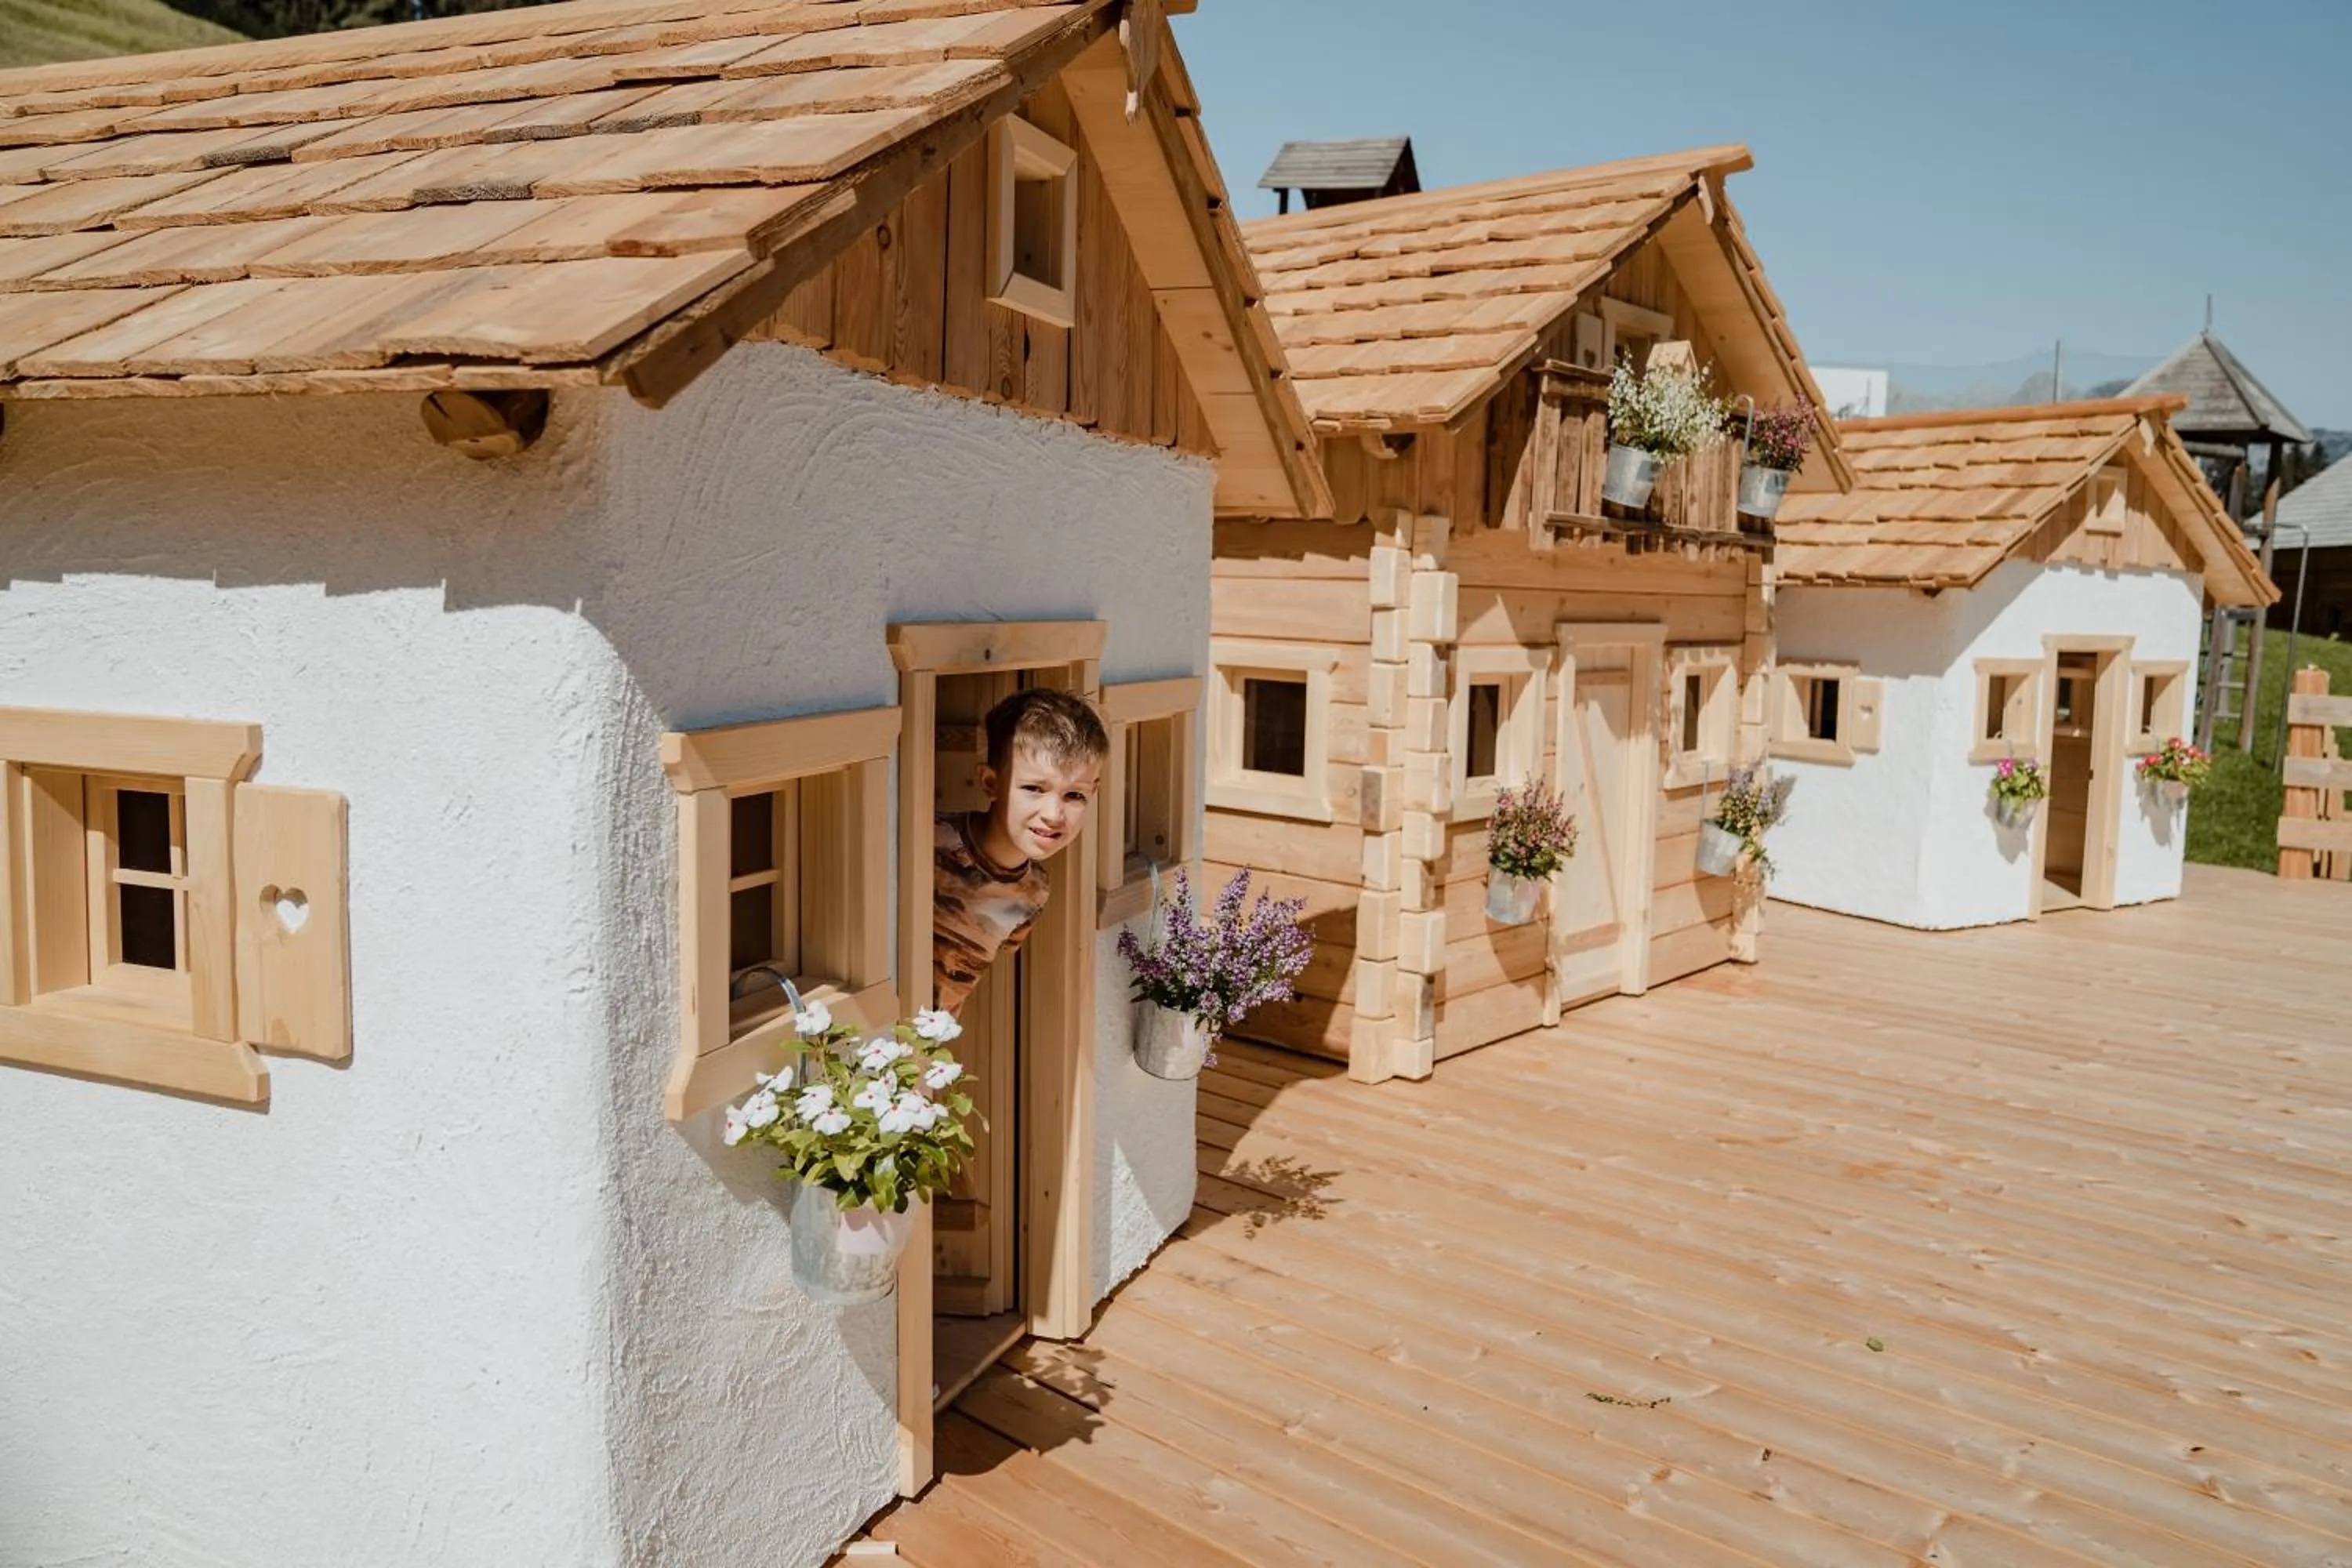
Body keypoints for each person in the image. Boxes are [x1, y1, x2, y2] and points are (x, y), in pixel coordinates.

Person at [932, 688, 1108, 1016]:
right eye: (1034, 789)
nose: (1054, 814)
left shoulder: (1034, 894)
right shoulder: (932, 842)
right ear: (990, 783)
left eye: (1074, 796)